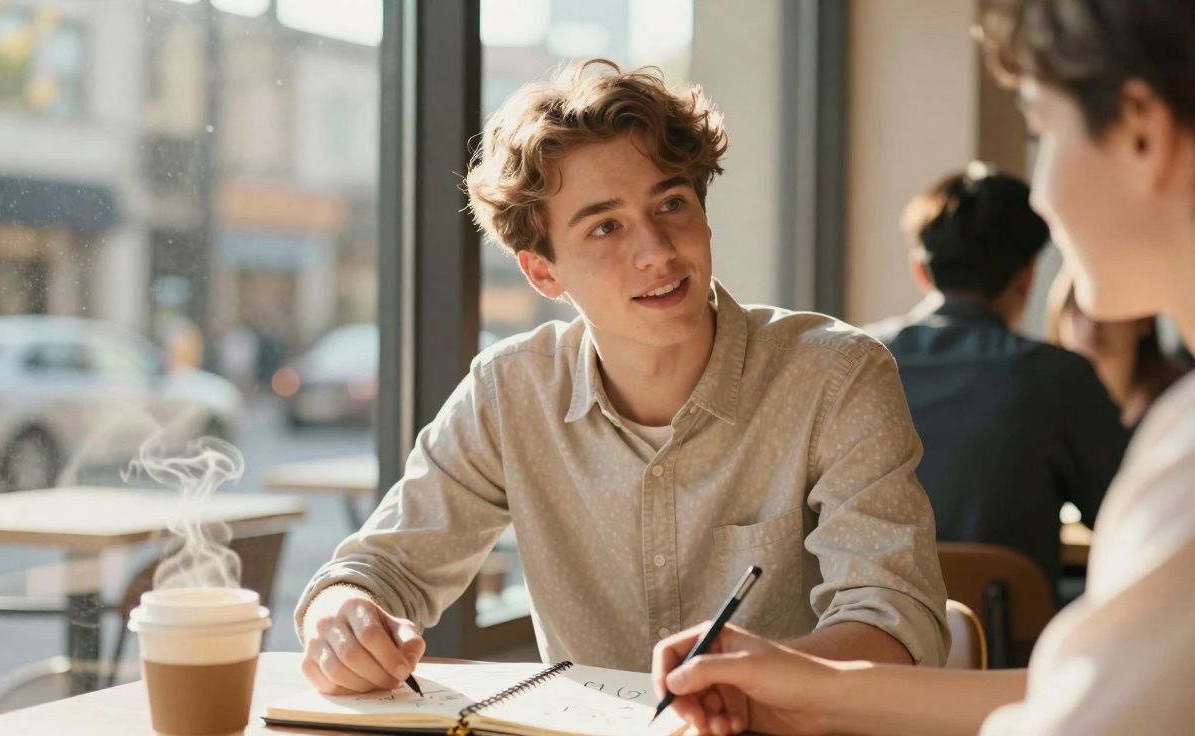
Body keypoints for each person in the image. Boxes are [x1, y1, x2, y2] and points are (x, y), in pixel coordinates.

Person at [652, 0, 1195, 733]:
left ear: (1145, 135)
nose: (1045, 198)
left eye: (1040, 132)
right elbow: (1076, 694)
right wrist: (818, 686)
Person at [294, 59, 950, 696]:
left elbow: (896, 620)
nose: (658, 251)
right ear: (542, 272)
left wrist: (764, 681)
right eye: (606, 226)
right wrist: (342, 614)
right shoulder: (511, 391)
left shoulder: (834, 373)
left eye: (671, 204)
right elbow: (377, 569)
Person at [866, 166, 1128, 587]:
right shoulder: (1056, 377)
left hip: (867, 632)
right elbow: (1129, 519)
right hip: (1007, 645)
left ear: (922, 271)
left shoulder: (856, 360)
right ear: (1026, 276)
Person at [1047, 267, 1189, 427]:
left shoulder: (1182, 404)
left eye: (1107, 306)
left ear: (1143, 320)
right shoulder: (1049, 415)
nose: (1090, 324)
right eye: (1076, 308)